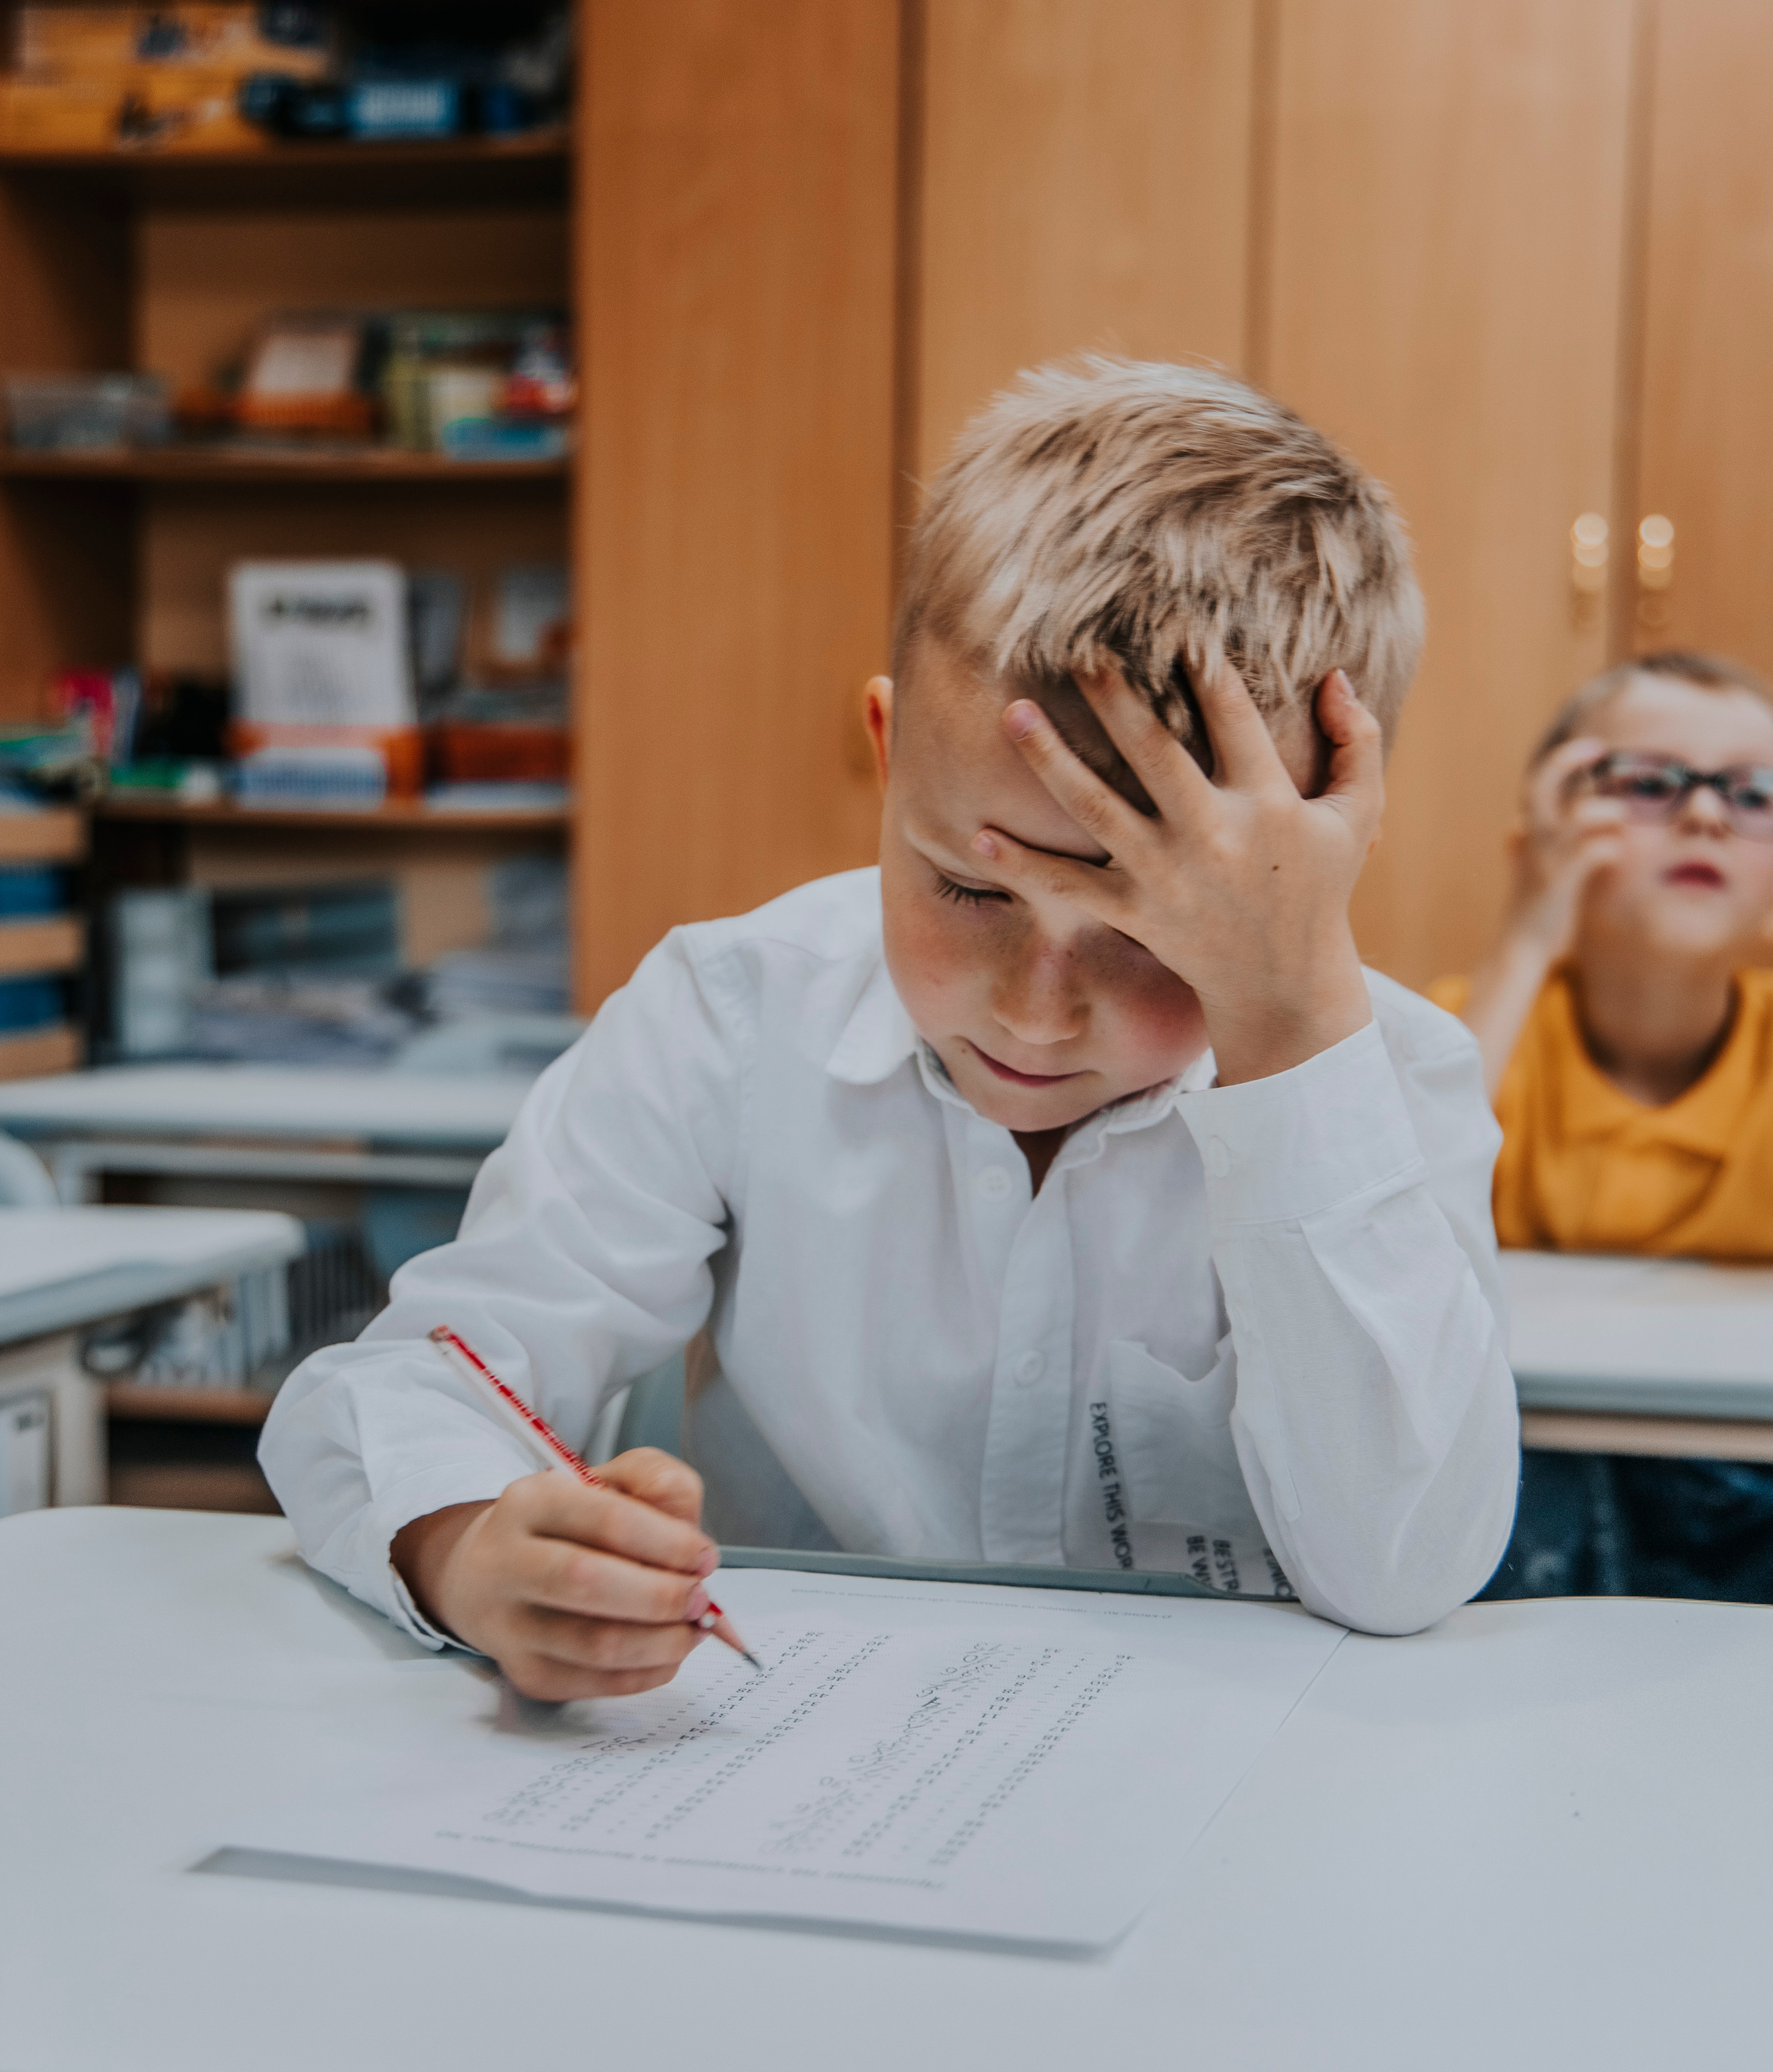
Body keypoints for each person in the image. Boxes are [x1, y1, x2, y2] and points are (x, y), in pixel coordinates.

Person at [261, 359, 1520, 1694]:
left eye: (1157, 935)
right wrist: (471, 1550)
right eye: (971, 889)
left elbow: (1403, 1568)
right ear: (889, 743)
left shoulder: (1384, 1077)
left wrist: (1287, 1018)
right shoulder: (733, 1014)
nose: (1037, 1010)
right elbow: (404, 1390)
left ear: (1319, 861)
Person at [1431, 648, 1773, 1599]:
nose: (1704, 815)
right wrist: (1530, 928)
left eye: (1754, 794)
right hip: (1529, 1463)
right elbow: (1393, 1218)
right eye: (1648, 783)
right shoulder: (1466, 1033)